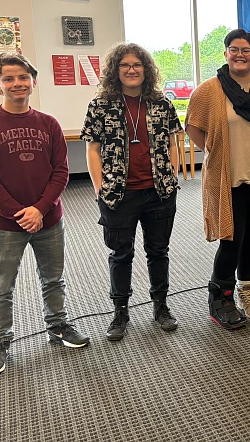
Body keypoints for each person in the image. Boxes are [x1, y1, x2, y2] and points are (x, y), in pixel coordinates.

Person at [0, 53, 89, 376]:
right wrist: (20, 214)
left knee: (53, 279)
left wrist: (39, 209)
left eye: (23, 78)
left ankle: (58, 326)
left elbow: (61, 173)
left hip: (49, 219)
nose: (17, 84)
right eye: (9, 79)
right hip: (4, 225)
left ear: (32, 82)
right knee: (1, 286)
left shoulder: (48, 124)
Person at [186, 29, 250, 329]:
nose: (240, 54)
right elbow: (193, 125)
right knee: (231, 239)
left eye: (245, 49)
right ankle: (220, 299)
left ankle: (246, 290)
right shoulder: (209, 90)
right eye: (234, 49)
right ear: (226, 54)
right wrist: (214, 152)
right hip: (226, 179)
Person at [82, 43, 181, 341]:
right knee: (121, 253)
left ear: (146, 69)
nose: (131, 69)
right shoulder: (100, 105)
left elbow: (173, 143)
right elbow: (92, 149)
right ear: (116, 70)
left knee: (158, 251)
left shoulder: (161, 103)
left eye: (137, 65)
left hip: (158, 193)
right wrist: (100, 188)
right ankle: (120, 310)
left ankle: (161, 305)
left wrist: (171, 177)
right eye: (125, 65)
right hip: (118, 194)